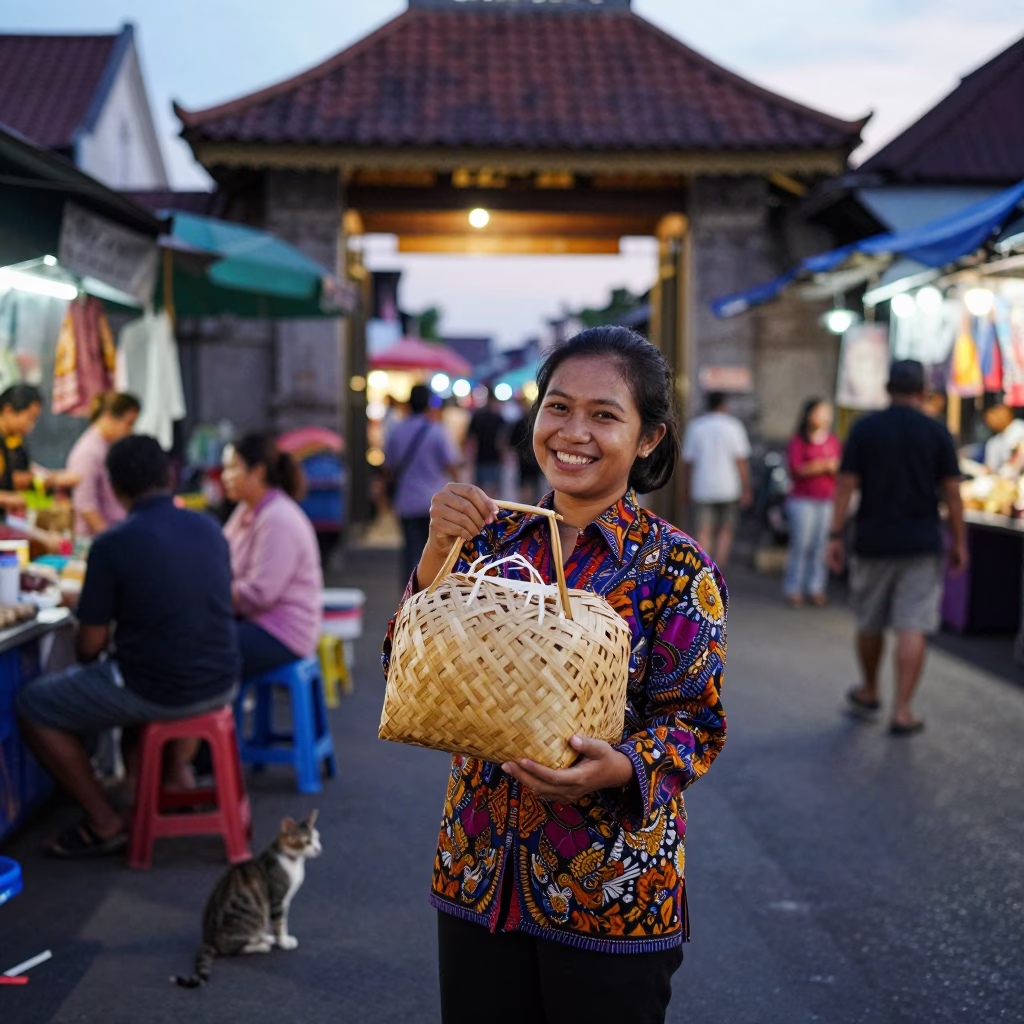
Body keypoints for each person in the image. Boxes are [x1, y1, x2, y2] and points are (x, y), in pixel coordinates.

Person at [383, 326, 728, 1024]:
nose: (573, 432)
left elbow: (696, 723)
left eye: (605, 415)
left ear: (649, 438)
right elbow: (404, 668)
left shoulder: (678, 568)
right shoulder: (485, 541)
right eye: (558, 407)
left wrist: (619, 767)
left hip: (610, 892)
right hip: (478, 873)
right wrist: (435, 551)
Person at [16, 436, 240, 857]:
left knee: (34, 704)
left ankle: (103, 822)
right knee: (140, 668)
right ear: (169, 476)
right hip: (222, 679)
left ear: (115, 488)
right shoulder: (209, 528)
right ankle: (168, 783)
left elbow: (88, 647)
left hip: (160, 689)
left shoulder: (113, 544)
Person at [827, 360, 967, 736]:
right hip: (921, 542)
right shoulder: (938, 431)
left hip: (873, 540)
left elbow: (845, 484)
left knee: (870, 621)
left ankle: (871, 690)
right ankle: (903, 711)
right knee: (913, 624)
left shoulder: (866, 428)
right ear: (923, 391)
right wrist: (959, 542)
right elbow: (952, 492)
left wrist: (835, 535)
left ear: (887, 389)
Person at [222, 434, 323, 678]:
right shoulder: (246, 510)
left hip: (283, 631)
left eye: (233, 468)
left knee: (203, 649)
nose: (225, 477)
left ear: (257, 472)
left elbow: (260, 593)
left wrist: (212, 591)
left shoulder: (277, 517)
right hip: (254, 620)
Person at [385, 384, 460, 582]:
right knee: (437, 552)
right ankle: (431, 597)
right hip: (435, 502)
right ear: (428, 405)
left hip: (406, 501)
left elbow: (388, 468)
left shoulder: (397, 431)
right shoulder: (436, 431)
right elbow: (452, 464)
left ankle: (408, 599)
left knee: (410, 552)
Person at [680, 391, 751, 567]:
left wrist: (685, 488)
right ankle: (719, 566)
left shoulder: (696, 426)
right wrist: (746, 488)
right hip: (729, 488)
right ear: (725, 406)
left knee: (703, 530)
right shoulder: (734, 426)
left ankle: (705, 568)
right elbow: (741, 462)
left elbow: (688, 464)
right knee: (725, 530)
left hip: (702, 487)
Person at [783, 398, 841, 608]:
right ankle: (794, 588)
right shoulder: (799, 442)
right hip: (802, 501)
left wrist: (821, 467)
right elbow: (797, 469)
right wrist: (823, 465)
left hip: (826, 501)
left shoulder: (833, 441)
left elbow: (840, 468)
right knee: (801, 545)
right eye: (820, 412)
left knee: (820, 546)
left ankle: (816, 587)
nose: (825, 417)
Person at [66, 392, 141, 538]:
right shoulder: (89, 452)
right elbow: (85, 505)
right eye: (129, 424)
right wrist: (109, 539)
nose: (130, 430)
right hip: (96, 539)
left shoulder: (107, 447)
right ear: (108, 417)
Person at [464, 386, 507, 494]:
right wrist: (503, 455)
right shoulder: (499, 418)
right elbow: (501, 439)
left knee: (480, 488)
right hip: (494, 456)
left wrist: (469, 458)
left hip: (480, 456)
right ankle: (494, 509)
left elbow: (471, 440)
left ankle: (482, 509)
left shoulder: (477, 417)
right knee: (494, 487)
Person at [508, 396, 542, 503]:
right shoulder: (538, 423)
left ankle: (526, 504)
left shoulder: (519, 422)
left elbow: (512, 443)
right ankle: (534, 504)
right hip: (536, 458)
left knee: (524, 483)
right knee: (535, 483)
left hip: (522, 458)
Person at [982, 403, 1024, 472]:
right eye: (988, 417)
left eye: (996, 413)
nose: (993, 419)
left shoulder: (1020, 428)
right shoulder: (994, 442)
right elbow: (990, 468)